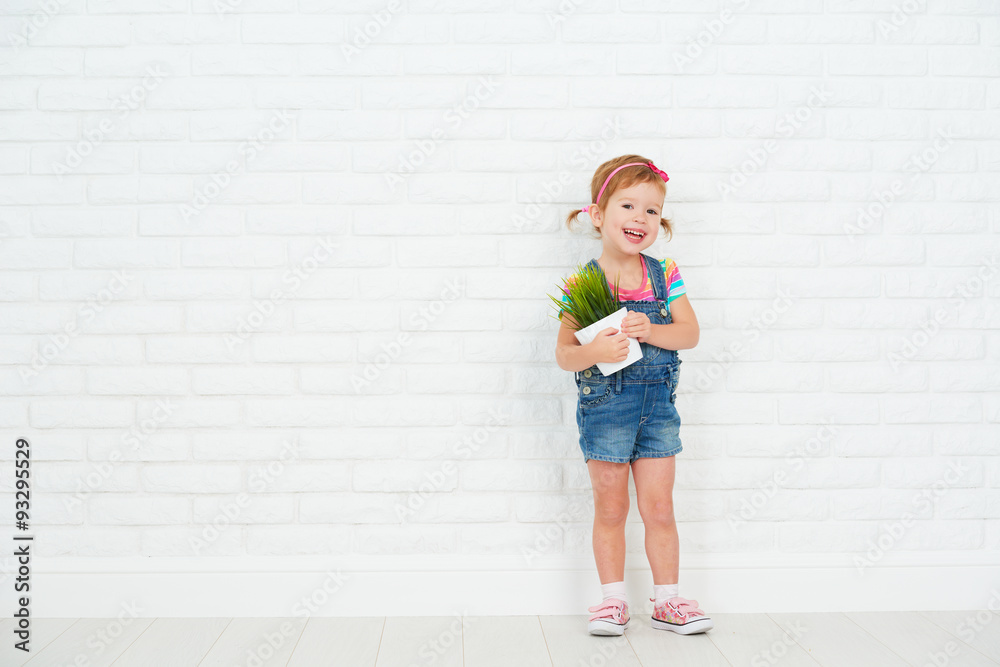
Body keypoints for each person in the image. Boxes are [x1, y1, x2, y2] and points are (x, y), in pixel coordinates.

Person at [554, 155, 713, 637]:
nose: (640, 218)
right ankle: (612, 601)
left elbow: (690, 335)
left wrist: (654, 329)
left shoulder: (665, 274)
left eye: (651, 210)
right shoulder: (585, 283)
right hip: (606, 410)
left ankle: (667, 600)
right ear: (598, 215)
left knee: (659, 507)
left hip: (658, 410)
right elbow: (564, 354)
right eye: (628, 205)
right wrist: (596, 349)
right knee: (611, 507)